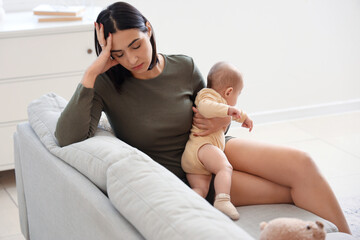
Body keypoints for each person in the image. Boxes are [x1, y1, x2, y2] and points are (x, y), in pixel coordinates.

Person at [55, 2, 351, 234]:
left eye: (136, 44)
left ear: (148, 29)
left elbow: (213, 106)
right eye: (118, 53)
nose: (132, 59)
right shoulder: (107, 84)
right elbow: (67, 136)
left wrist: (223, 122)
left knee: (303, 164)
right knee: (287, 191)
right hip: (192, 173)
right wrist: (92, 73)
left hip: (217, 145)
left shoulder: (184, 66)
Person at [181, 61, 253, 220]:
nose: (236, 99)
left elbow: (234, 113)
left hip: (197, 160)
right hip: (201, 148)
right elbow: (206, 107)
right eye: (238, 94)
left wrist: (244, 118)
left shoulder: (221, 105)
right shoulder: (207, 95)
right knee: (225, 167)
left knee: (201, 190)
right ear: (228, 92)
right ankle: (223, 200)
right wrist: (229, 110)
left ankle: (184, 204)